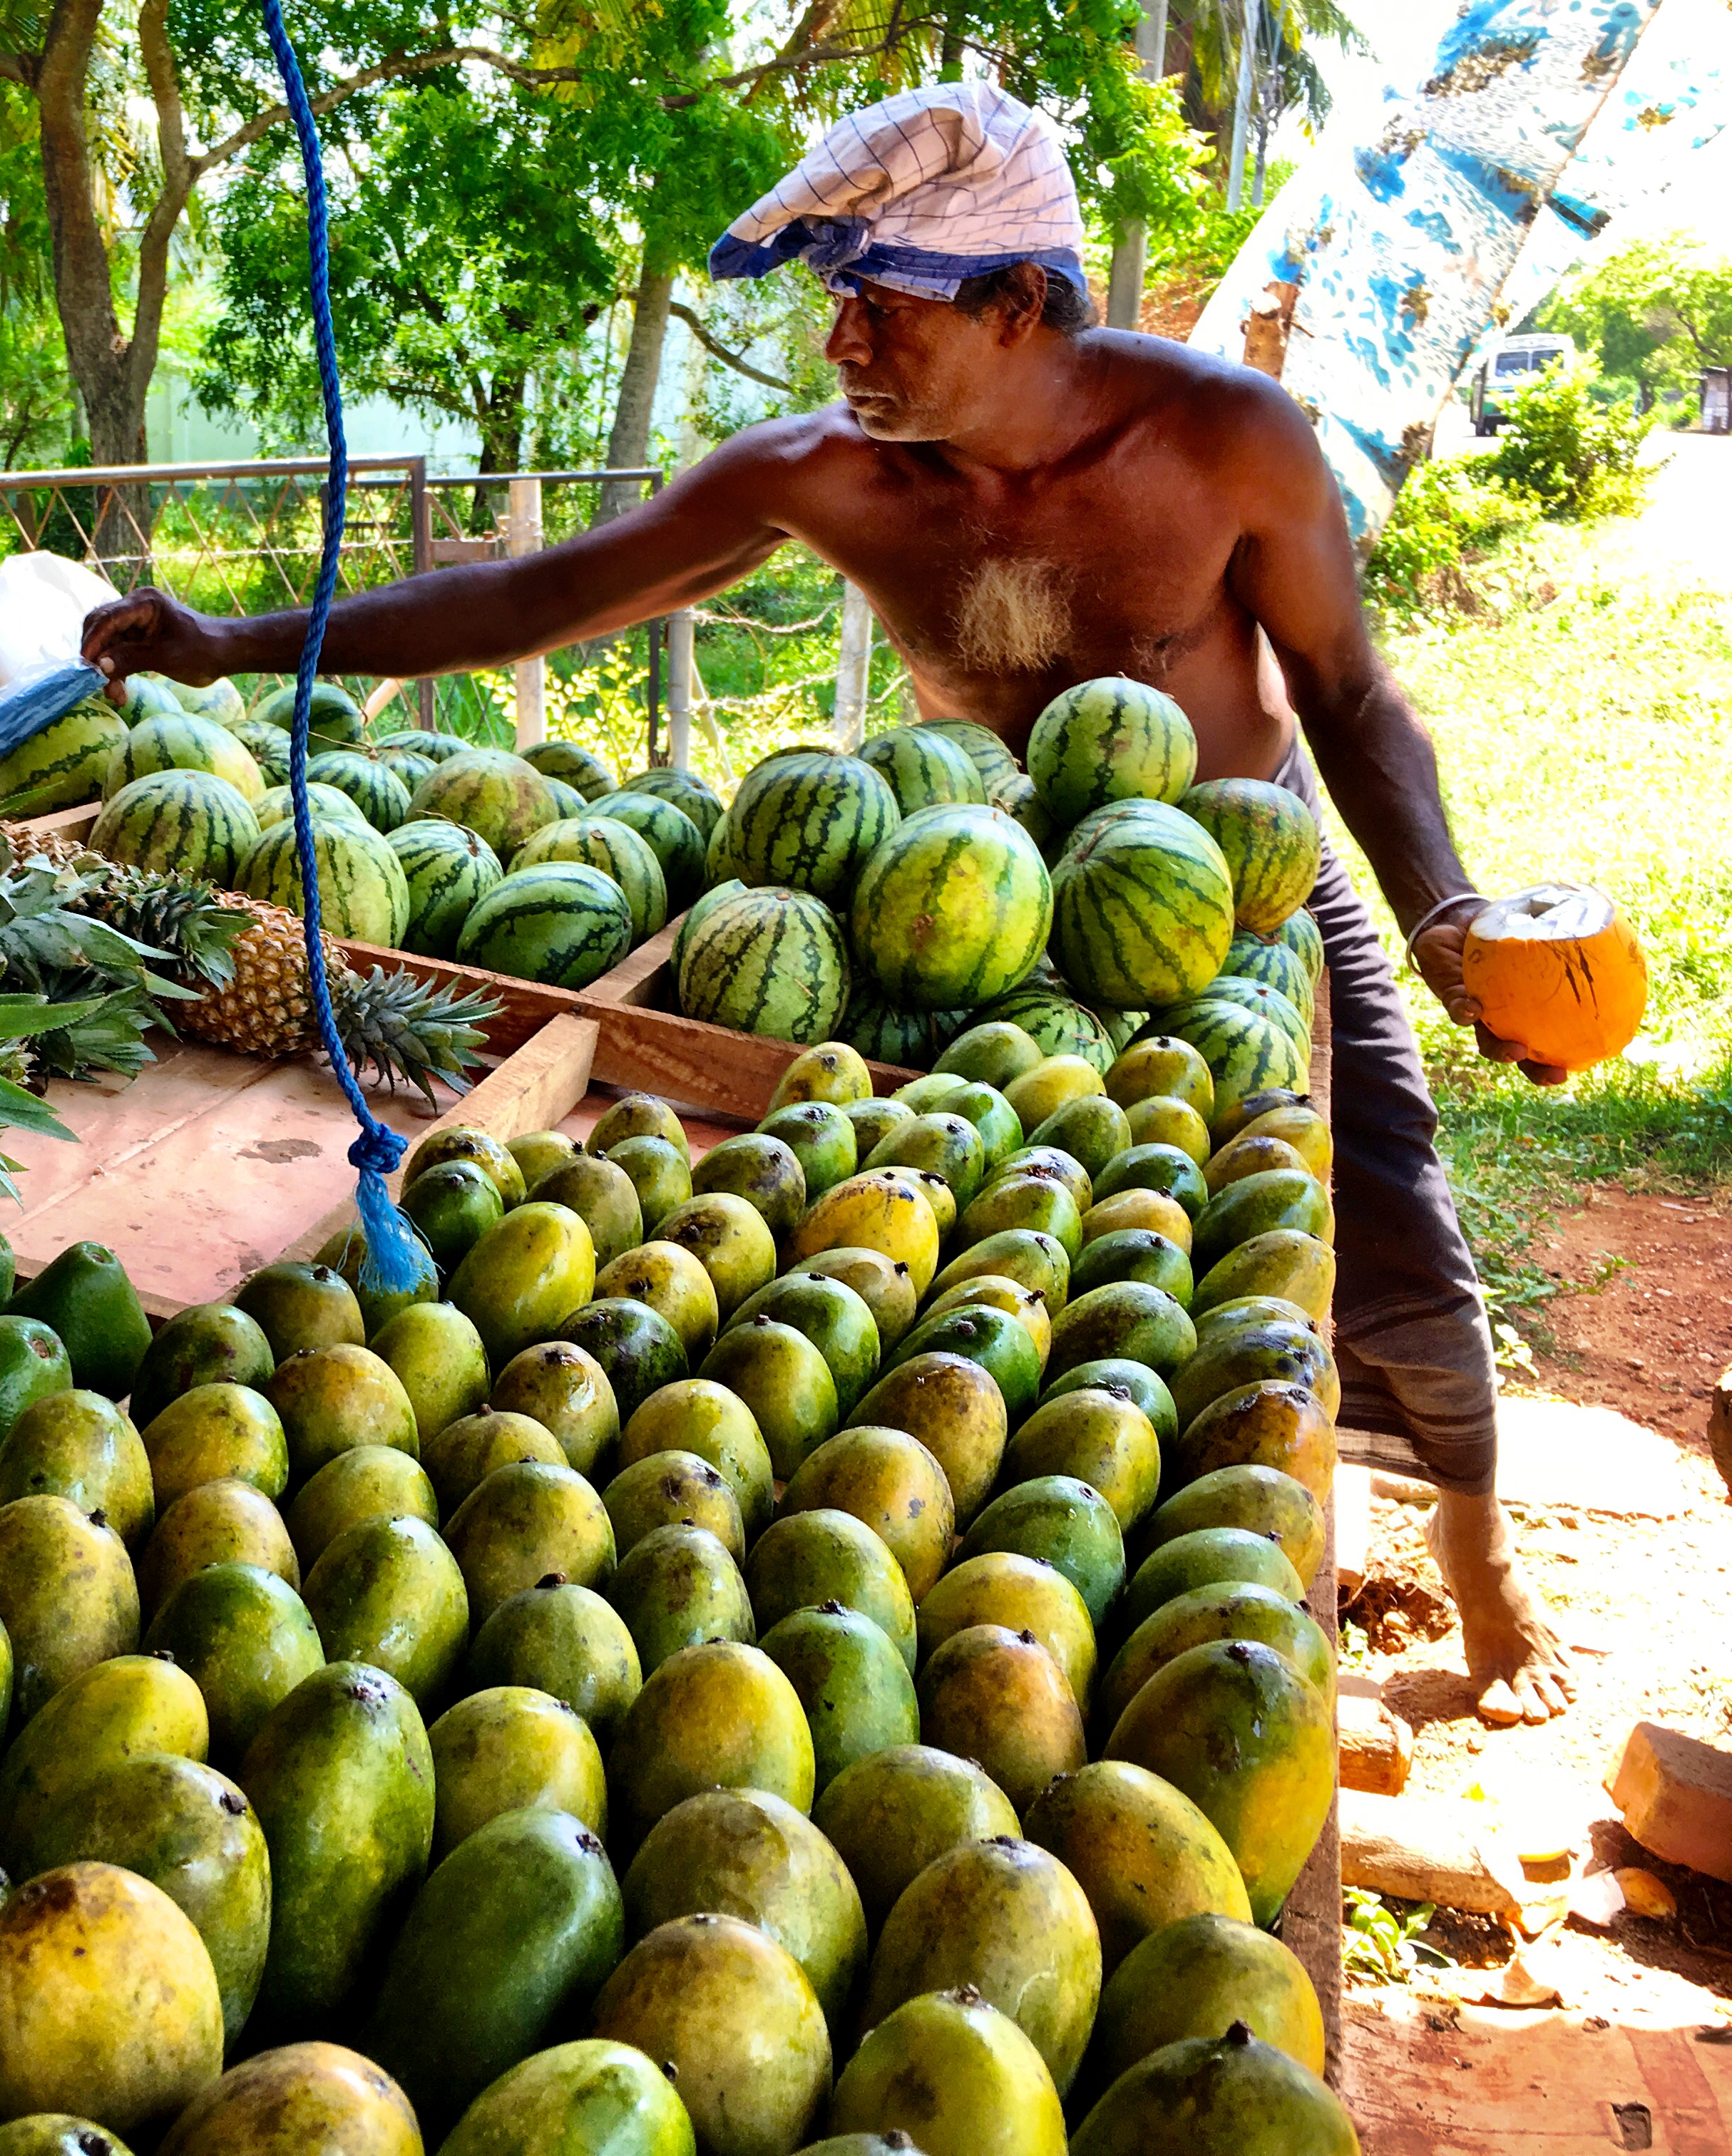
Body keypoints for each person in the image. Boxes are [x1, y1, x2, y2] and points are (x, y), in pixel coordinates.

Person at [83, 81, 1577, 1726]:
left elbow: (1353, 699)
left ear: (1019, 304)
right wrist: (243, 642)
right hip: (991, 905)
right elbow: (538, 596)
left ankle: (1480, 1553)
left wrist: (1446, 920)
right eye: (831, 303)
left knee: (1392, 1221)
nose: (842, 344)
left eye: (883, 303)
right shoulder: (827, 476)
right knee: (1019, 1253)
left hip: (1240, 878)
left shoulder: (1223, 444)